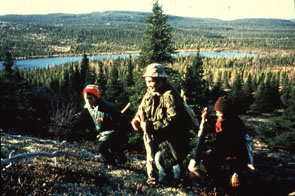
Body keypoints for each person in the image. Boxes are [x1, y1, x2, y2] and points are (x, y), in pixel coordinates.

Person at [131, 63, 190, 185]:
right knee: (160, 159)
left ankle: (173, 183)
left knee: (165, 159)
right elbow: (142, 108)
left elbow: (172, 119)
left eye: (153, 81)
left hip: (172, 137)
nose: (150, 85)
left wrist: (152, 125)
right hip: (157, 135)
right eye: (148, 81)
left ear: (161, 81)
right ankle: (166, 181)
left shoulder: (170, 96)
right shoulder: (149, 93)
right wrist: (136, 119)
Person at [188, 96, 250, 188]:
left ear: (227, 112)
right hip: (221, 152)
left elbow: (240, 150)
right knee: (209, 164)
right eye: (217, 112)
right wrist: (207, 118)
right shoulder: (222, 119)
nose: (217, 115)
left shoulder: (236, 126)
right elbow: (215, 125)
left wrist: (236, 173)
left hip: (233, 159)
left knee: (234, 184)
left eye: (219, 113)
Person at [72, 84, 130, 165]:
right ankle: (122, 162)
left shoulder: (108, 108)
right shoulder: (89, 105)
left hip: (114, 131)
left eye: (90, 98)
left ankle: (111, 164)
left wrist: (123, 133)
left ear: (96, 97)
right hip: (104, 132)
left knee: (102, 149)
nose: (87, 100)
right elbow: (85, 113)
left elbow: (123, 121)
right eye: (86, 98)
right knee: (115, 148)